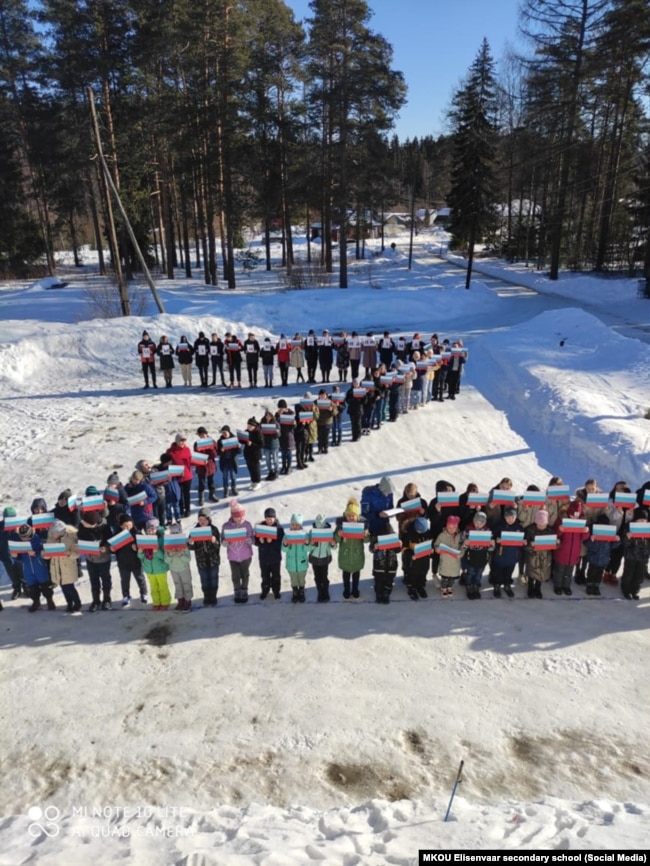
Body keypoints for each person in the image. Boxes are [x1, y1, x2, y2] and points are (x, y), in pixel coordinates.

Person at [12, 523, 55, 612]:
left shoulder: (38, 540)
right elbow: (19, 560)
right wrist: (15, 556)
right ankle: (36, 601)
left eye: (26, 537)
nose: (24, 539)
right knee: (32, 588)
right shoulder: (19, 543)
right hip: (28, 569)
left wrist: (36, 554)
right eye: (22, 537)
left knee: (45, 586)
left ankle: (49, 600)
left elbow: (46, 553)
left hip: (40, 567)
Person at [552, 499, 589, 596]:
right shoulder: (561, 520)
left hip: (574, 553)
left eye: (576, 516)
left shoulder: (581, 523)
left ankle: (566, 586)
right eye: (572, 515)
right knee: (559, 571)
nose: (574, 518)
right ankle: (558, 586)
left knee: (569, 572)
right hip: (562, 552)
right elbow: (555, 535)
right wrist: (560, 530)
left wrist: (586, 531)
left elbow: (584, 538)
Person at [78, 509, 113, 611]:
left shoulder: (105, 528)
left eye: (86, 524)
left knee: (106, 579)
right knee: (94, 580)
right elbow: (80, 538)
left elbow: (110, 541)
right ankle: (95, 601)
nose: (83, 524)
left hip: (103, 559)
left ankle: (107, 599)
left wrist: (105, 548)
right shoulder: (83, 526)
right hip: (90, 559)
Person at [335, 497, 369, 600]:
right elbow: (335, 540)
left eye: (353, 515)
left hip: (357, 555)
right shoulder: (341, 526)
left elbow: (367, 541)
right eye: (348, 515)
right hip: (345, 555)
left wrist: (366, 535)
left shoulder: (362, 526)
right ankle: (346, 589)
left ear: (357, 516)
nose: (351, 518)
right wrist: (338, 534)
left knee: (356, 575)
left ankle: (355, 589)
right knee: (346, 575)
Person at [44, 519, 81, 613]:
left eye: (54, 534)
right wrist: (45, 555)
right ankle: (69, 603)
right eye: (51, 533)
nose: (52, 535)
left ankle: (77, 603)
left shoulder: (72, 537)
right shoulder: (51, 538)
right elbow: (46, 553)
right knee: (63, 588)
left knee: (70, 587)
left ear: (60, 532)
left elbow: (77, 554)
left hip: (67, 568)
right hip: (56, 568)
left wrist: (69, 553)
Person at [222, 500, 255, 603]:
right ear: (232, 516)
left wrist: (250, 540)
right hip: (233, 556)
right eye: (237, 516)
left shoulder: (247, 525)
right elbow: (222, 539)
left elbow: (253, 538)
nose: (240, 518)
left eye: (242, 515)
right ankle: (237, 590)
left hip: (245, 555)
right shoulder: (226, 526)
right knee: (235, 575)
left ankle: (244, 590)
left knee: (245, 574)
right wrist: (225, 542)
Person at [113, 513, 148, 607]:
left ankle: (144, 593)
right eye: (125, 526)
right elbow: (113, 548)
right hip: (123, 562)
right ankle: (126, 595)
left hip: (136, 561)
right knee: (124, 580)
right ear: (120, 526)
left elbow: (144, 546)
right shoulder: (117, 535)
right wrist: (112, 549)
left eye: (129, 524)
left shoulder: (137, 533)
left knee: (140, 578)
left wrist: (137, 547)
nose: (128, 527)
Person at [189, 507, 220, 607]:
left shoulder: (214, 529)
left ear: (209, 520)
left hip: (213, 561)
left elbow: (218, 546)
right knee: (204, 579)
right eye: (200, 519)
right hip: (201, 561)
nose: (202, 521)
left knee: (213, 579)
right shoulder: (195, 530)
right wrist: (191, 543)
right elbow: (192, 547)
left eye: (204, 519)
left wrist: (214, 541)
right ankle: (206, 596)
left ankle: (213, 596)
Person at [138, 518, 171, 611]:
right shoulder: (145, 540)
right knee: (153, 587)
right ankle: (156, 602)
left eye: (153, 529)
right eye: (149, 530)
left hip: (160, 568)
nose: (151, 531)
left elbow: (165, 556)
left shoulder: (162, 539)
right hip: (149, 568)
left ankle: (165, 602)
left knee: (162, 586)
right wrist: (140, 551)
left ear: (157, 529)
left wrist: (157, 551)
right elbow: (141, 557)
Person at [460, 511, 494, 599]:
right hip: (470, 556)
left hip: (482, 557)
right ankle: (468, 585)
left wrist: (491, 544)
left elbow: (491, 548)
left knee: (479, 573)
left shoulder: (487, 531)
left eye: (481, 523)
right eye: (476, 522)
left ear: (484, 523)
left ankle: (476, 586)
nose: (478, 524)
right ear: (473, 521)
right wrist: (465, 543)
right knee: (469, 573)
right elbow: (461, 545)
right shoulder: (468, 529)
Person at [489, 506, 521, 598]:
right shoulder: (500, 526)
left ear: (515, 517)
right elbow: (492, 536)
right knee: (497, 572)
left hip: (512, 555)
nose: (510, 519)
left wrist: (524, 541)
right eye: (508, 517)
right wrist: (496, 539)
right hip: (500, 554)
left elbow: (523, 539)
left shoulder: (519, 527)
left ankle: (507, 585)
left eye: (512, 517)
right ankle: (497, 586)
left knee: (509, 572)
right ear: (504, 517)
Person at [524, 509, 556, 599]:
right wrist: (530, 544)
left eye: (544, 525)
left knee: (542, 572)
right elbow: (524, 545)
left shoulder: (550, 530)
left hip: (545, 556)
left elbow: (555, 546)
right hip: (532, 556)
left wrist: (557, 542)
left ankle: (538, 588)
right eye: (539, 525)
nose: (542, 527)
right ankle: (530, 587)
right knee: (531, 572)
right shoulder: (530, 529)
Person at [255, 507, 284, 600]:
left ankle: (276, 591)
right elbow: (255, 541)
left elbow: (281, 543)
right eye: (267, 519)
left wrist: (272, 541)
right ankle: (265, 591)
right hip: (263, 558)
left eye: (271, 518)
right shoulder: (260, 527)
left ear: (274, 518)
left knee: (276, 576)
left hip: (275, 558)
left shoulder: (279, 529)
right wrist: (260, 541)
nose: (269, 520)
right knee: (264, 576)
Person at [621, 507, 650, 600]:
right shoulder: (629, 528)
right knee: (628, 575)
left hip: (643, 557)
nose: (642, 522)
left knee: (639, 576)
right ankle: (626, 591)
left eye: (644, 520)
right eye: (640, 520)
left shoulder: (648, 530)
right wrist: (628, 537)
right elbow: (624, 544)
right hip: (631, 556)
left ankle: (635, 591)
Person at [166, 523, 193, 612]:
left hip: (184, 568)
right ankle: (180, 601)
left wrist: (181, 554)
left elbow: (188, 559)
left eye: (176, 533)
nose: (174, 535)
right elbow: (166, 560)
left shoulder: (183, 544)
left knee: (186, 584)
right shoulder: (168, 545)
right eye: (172, 533)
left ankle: (187, 601)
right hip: (173, 569)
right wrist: (170, 555)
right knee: (178, 585)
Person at [308, 514, 336, 602]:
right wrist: (311, 544)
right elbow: (307, 547)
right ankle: (320, 592)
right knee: (317, 576)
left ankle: (325, 591)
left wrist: (332, 543)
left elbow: (334, 547)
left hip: (325, 558)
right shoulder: (312, 532)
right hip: (315, 558)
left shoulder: (329, 532)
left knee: (324, 576)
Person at [370, 517, 398, 604]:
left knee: (389, 581)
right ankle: (378, 594)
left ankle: (386, 594)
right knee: (379, 581)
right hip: (379, 566)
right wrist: (375, 547)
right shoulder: (376, 539)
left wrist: (399, 545)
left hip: (391, 566)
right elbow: (371, 549)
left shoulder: (394, 540)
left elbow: (398, 550)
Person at [403, 516, 432, 600]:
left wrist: (431, 550)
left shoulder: (428, 533)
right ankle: (411, 588)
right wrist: (410, 555)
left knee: (423, 573)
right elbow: (404, 548)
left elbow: (431, 542)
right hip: (413, 561)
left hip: (424, 559)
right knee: (412, 575)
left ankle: (421, 586)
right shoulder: (409, 535)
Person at [283, 513, 310, 602]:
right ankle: (295, 591)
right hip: (291, 564)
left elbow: (308, 548)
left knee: (301, 579)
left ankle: (301, 591)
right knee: (293, 579)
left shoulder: (305, 535)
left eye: (297, 525)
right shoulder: (287, 535)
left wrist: (306, 543)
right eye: (293, 524)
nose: (294, 526)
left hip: (302, 563)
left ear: (300, 526)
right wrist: (285, 544)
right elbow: (283, 549)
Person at [434, 514, 462, 598]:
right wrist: (437, 549)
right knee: (444, 578)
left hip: (455, 562)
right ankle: (443, 588)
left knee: (452, 578)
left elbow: (463, 547)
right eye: (449, 528)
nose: (451, 530)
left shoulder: (460, 536)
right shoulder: (442, 535)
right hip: (445, 561)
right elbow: (436, 544)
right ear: (446, 526)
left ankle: (450, 587)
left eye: (454, 528)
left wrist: (460, 555)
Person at [1, 506, 25, 599]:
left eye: (12, 517)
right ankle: (17, 588)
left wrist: (19, 532)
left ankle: (26, 587)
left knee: (22, 572)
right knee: (12, 574)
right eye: (7, 518)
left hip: (19, 555)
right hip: (6, 555)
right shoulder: (0, 526)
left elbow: (26, 538)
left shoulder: (20, 525)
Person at [168, 433, 193, 518]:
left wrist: (200, 462)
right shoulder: (170, 451)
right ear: (176, 441)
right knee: (179, 494)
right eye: (181, 440)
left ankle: (188, 509)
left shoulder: (187, 449)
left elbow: (190, 461)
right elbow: (167, 463)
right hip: (176, 476)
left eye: (184, 440)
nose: (182, 442)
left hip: (187, 476)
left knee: (187, 494)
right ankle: (181, 509)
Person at [194, 426, 218, 505]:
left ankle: (212, 495)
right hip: (201, 465)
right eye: (200, 435)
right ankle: (201, 498)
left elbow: (215, 454)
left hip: (210, 464)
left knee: (211, 481)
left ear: (206, 434)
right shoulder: (197, 443)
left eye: (203, 434)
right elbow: (196, 455)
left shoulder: (212, 441)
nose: (202, 436)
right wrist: (198, 451)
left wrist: (211, 449)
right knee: (201, 482)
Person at [216, 425, 241, 497]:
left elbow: (239, 452)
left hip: (232, 461)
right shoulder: (220, 441)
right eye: (223, 432)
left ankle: (234, 488)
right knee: (225, 476)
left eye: (225, 432)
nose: (224, 434)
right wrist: (221, 450)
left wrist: (239, 447)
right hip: (224, 461)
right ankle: (225, 489)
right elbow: (218, 452)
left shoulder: (234, 439)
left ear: (229, 431)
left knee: (233, 476)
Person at [276, 399, 295, 475]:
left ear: (285, 407)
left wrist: (294, 423)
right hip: (281, 436)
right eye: (279, 408)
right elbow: (276, 424)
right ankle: (284, 466)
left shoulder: (290, 413)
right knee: (283, 453)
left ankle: (289, 466)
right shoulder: (277, 414)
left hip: (288, 435)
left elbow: (293, 426)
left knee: (288, 452)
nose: (280, 409)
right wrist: (278, 416)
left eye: (282, 408)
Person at [260, 408, 280, 481]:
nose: (268, 417)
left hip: (274, 445)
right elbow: (260, 435)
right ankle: (270, 471)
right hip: (266, 445)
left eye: (269, 415)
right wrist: (261, 433)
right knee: (267, 460)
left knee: (275, 459)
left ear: (272, 415)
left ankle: (276, 471)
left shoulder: (276, 423)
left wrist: (277, 432)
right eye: (266, 415)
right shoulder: (262, 423)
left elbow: (279, 435)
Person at [243, 417, 262, 490]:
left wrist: (252, 444)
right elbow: (243, 441)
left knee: (256, 469)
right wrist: (241, 439)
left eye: (250, 426)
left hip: (255, 455)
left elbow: (261, 444)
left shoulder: (258, 433)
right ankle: (253, 481)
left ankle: (258, 482)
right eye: (248, 426)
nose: (249, 427)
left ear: (254, 426)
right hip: (248, 454)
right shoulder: (246, 431)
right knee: (250, 468)